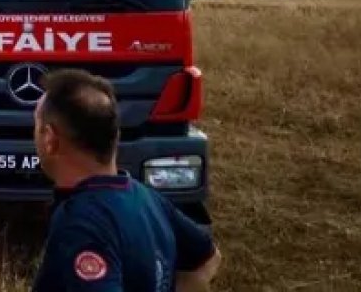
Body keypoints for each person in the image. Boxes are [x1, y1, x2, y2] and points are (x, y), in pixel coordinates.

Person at [31, 68, 223, 291]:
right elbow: (207, 259)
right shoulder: (148, 198)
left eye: (36, 126)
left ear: (50, 139)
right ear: (115, 135)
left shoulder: (81, 225)